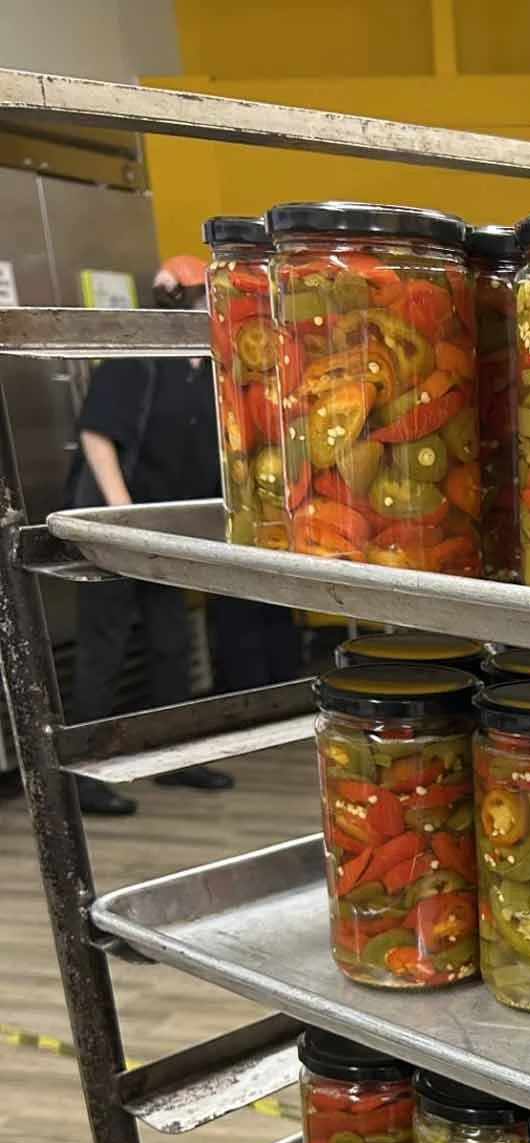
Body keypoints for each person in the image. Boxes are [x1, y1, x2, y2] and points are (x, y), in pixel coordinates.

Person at [68, 255, 296, 814]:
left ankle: (175, 759)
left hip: (166, 533)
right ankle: (85, 777)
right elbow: (98, 436)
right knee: (106, 647)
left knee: (171, 643)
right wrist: (123, 517)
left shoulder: (208, 367)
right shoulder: (138, 356)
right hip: (113, 526)